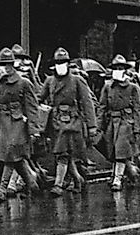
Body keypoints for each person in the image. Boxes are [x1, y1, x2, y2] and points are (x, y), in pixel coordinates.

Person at [40, 48, 97, 196]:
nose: (61, 65)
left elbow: (87, 103)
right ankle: (78, 179)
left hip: (73, 121)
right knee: (64, 154)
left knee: (63, 154)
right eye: (58, 62)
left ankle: (58, 184)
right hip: (56, 121)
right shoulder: (49, 81)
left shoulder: (77, 80)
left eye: (63, 62)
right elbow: (39, 98)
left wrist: (92, 126)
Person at [0, 48, 42, 201]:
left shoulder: (24, 83)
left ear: (13, 65)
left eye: (8, 64)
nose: (6, 68)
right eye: (3, 64)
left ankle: (2, 189)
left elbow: (32, 107)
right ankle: (33, 185)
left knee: (10, 154)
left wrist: (34, 130)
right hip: (2, 123)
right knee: (16, 160)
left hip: (18, 123)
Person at [98, 54, 140, 191]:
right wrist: (99, 126)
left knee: (120, 150)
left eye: (120, 68)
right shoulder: (107, 87)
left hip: (126, 122)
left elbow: (138, 109)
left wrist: (138, 128)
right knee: (114, 152)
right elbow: (102, 106)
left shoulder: (133, 88)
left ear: (125, 70)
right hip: (112, 122)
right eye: (115, 68)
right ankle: (131, 172)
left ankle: (117, 179)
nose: (118, 70)